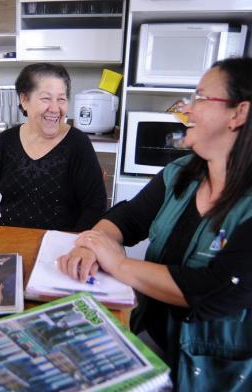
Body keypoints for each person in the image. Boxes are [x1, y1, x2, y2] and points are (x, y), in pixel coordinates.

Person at [57, 57, 252, 390]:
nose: (186, 110)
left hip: (212, 370)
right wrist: (92, 244)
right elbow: (128, 218)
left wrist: (116, 262)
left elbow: (214, 290)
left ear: (239, 113)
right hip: (152, 338)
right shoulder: (181, 173)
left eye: (201, 98)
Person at [0, 63, 107, 231]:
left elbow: (95, 206)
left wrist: (77, 246)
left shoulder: (78, 144)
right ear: (24, 100)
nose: (55, 108)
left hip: (62, 249)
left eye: (61, 99)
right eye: (46, 98)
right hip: (8, 244)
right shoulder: (4, 142)